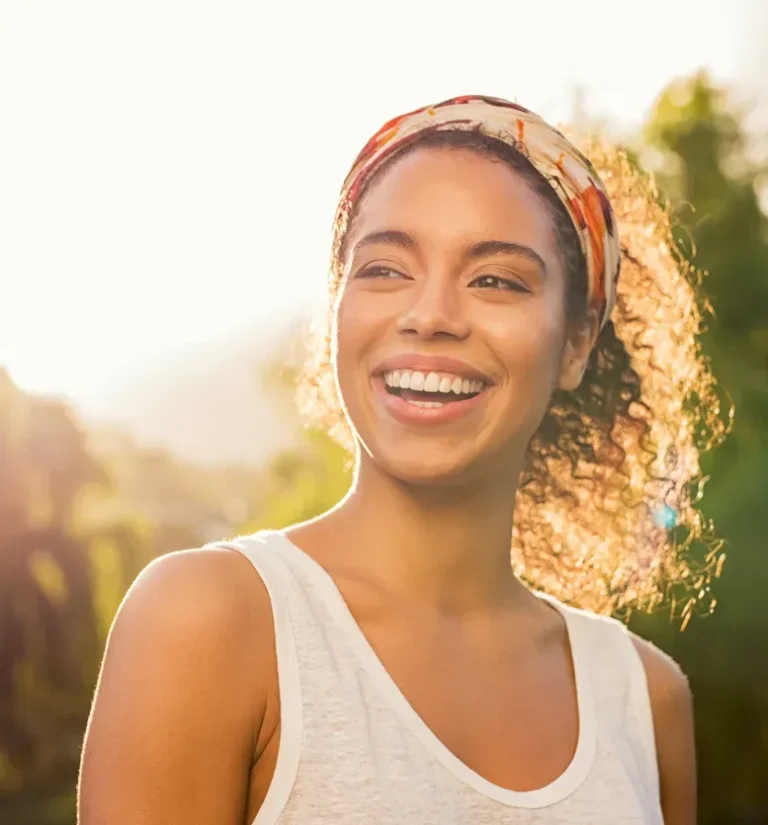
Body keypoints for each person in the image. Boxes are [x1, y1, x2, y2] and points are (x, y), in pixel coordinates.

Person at [79, 95, 723, 824]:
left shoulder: (645, 697)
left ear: (576, 343)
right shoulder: (207, 622)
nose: (430, 315)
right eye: (384, 269)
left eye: (496, 280)